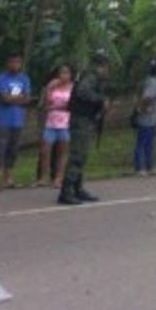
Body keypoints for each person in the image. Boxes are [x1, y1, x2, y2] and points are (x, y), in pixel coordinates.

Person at [58, 50, 110, 205]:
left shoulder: (91, 76)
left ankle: (77, 187)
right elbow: (83, 92)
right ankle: (66, 191)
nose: (106, 69)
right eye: (105, 65)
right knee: (77, 155)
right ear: (100, 65)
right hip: (81, 120)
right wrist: (101, 100)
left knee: (82, 154)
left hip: (85, 119)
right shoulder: (90, 76)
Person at [0, 53, 32, 191]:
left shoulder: (24, 79)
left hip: (17, 120)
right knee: (0, 149)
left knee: (13, 150)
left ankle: (8, 178)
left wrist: (13, 97)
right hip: (2, 120)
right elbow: (4, 99)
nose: (15, 65)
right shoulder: (1, 79)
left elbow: (27, 99)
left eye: (18, 62)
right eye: (12, 62)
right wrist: (18, 98)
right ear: (8, 63)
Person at [35, 64, 74, 188]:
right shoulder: (52, 87)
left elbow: (70, 105)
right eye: (62, 73)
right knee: (45, 151)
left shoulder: (72, 88)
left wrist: (56, 106)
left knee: (62, 152)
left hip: (65, 123)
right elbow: (45, 104)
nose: (64, 76)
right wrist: (49, 88)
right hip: (50, 123)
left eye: (66, 73)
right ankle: (44, 177)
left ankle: (59, 177)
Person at [133, 59, 156, 176]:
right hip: (146, 118)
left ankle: (150, 166)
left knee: (149, 142)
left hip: (151, 118)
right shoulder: (151, 82)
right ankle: (139, 167)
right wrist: (144, 110)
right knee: (142, 142)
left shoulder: (152, 81)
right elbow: (146, 98)